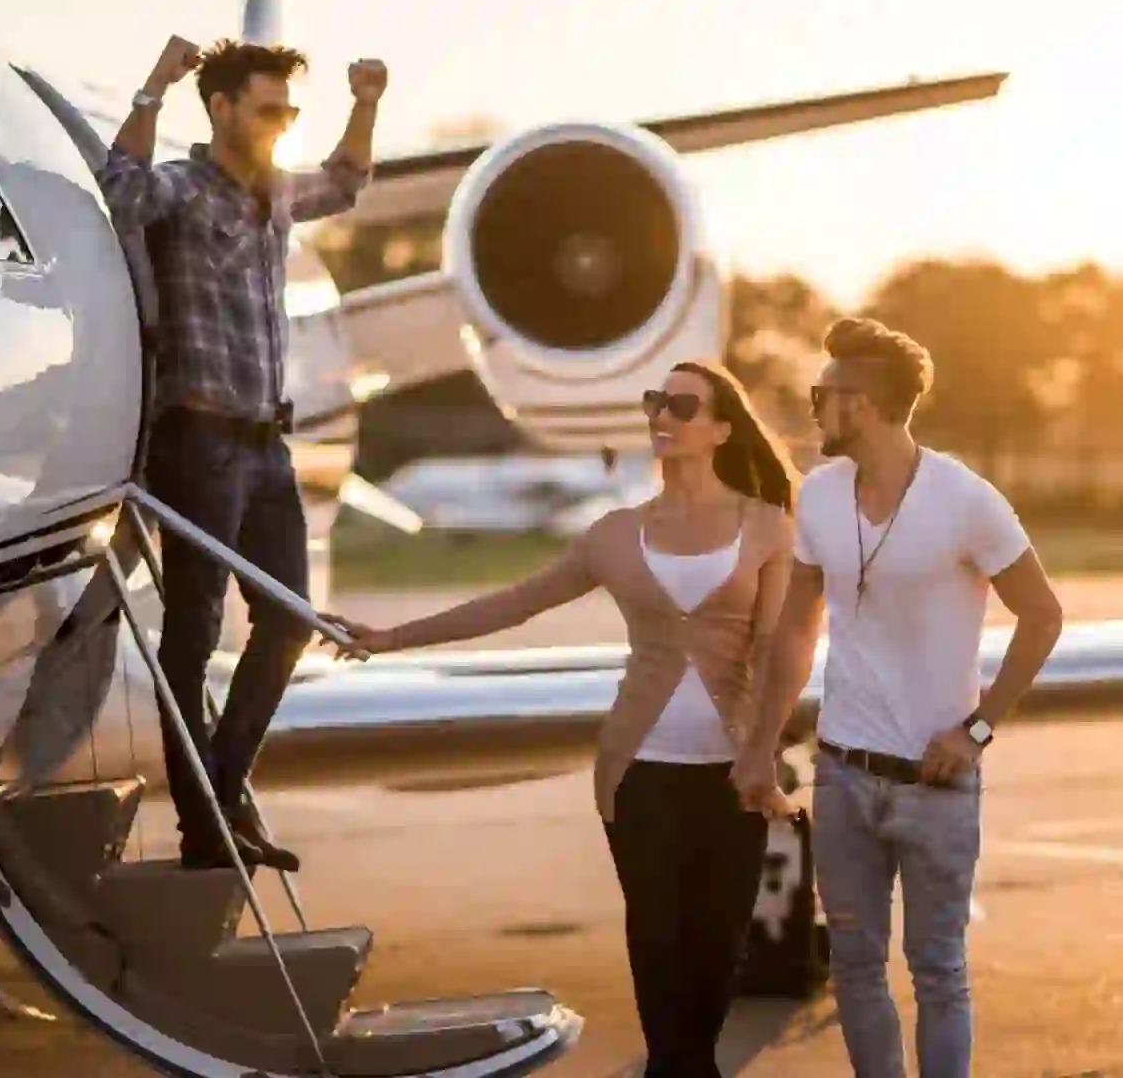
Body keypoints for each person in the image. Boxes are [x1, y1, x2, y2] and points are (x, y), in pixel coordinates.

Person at [330, 363, 800, 1078]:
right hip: (638, 771)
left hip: (730, 774)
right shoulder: (615, 533)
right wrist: (394, 638)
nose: (661, 416)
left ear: (721, 428)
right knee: (657, 939)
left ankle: (685, 1065)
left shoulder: (767, 527)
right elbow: (514, 603)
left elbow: (774, 653)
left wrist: (761, 752)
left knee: (717, 945)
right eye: (654, 402)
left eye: (681, 404)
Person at [731, 317, 1065, 1078]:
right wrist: (759, 749)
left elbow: (1043, 616)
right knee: (854, 965)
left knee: (939, 971)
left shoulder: (966, 501)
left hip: (937, 782)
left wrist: (976, 731)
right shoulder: (818, 497)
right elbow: (793, 633)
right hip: (843, 776)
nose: (813, 408)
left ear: (866, 405)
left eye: (824, 395)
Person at [97, 36, 387, 871]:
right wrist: (153, 83)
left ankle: (218, 797)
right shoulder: (182, 189)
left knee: (290, 618)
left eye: (288, 113)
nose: (279, 125)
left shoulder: (275, 194)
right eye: (267, 110)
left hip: (267, 446)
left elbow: (346, 181)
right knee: (194, 631)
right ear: (221, 108)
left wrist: (365, 100)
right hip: (199, 441)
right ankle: (207, 824)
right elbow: (119, 191)